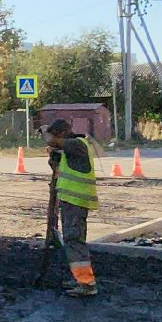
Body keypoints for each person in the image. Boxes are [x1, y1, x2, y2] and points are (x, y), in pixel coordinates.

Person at [44, 119, 100, 297]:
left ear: (60, 134)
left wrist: (45, 131)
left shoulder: (77, 144)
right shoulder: (71, 149)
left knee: (74, 240)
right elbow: (58, 163)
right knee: (72, 240)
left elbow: (54, 143)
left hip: (76, 201)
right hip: (71, 201)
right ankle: (81, 279)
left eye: (54, 134)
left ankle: (86, 283)